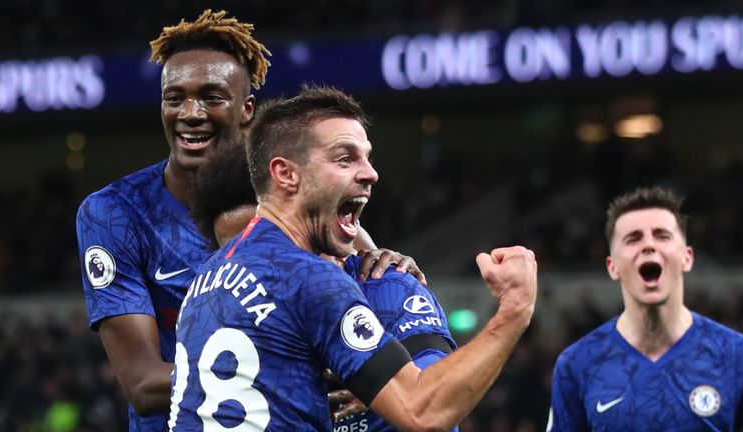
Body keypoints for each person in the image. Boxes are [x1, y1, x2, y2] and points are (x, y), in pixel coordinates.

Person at [76, 10, 417, 431]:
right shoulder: (114, 214)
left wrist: (391, 270)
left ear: (246, 109)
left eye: (212, 97)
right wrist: (290, 371)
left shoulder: (291, 189)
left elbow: (375, 304)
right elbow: (143, 385)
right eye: (175, 98)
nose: (191, 113)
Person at [170, 85, 537, 430]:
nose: (371, 173)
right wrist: (514, 309)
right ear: (285, 174)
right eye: (344, 158)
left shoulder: (206, 279)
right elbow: (422, 410)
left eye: (367, 157)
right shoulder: (310, 277)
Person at [188, 145, 460, 431]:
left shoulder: (387, 285)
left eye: (264, 242)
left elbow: (433, 377)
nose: (251, 259)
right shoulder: (224, 318)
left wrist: (385, 383)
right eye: (236, 252)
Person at [547, 187, 743, 431]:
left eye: (662, 235)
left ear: (687, 258)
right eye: (634, 238)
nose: (648, 245)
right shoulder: (577, 364)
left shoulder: (741, 358)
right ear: (612, 267)